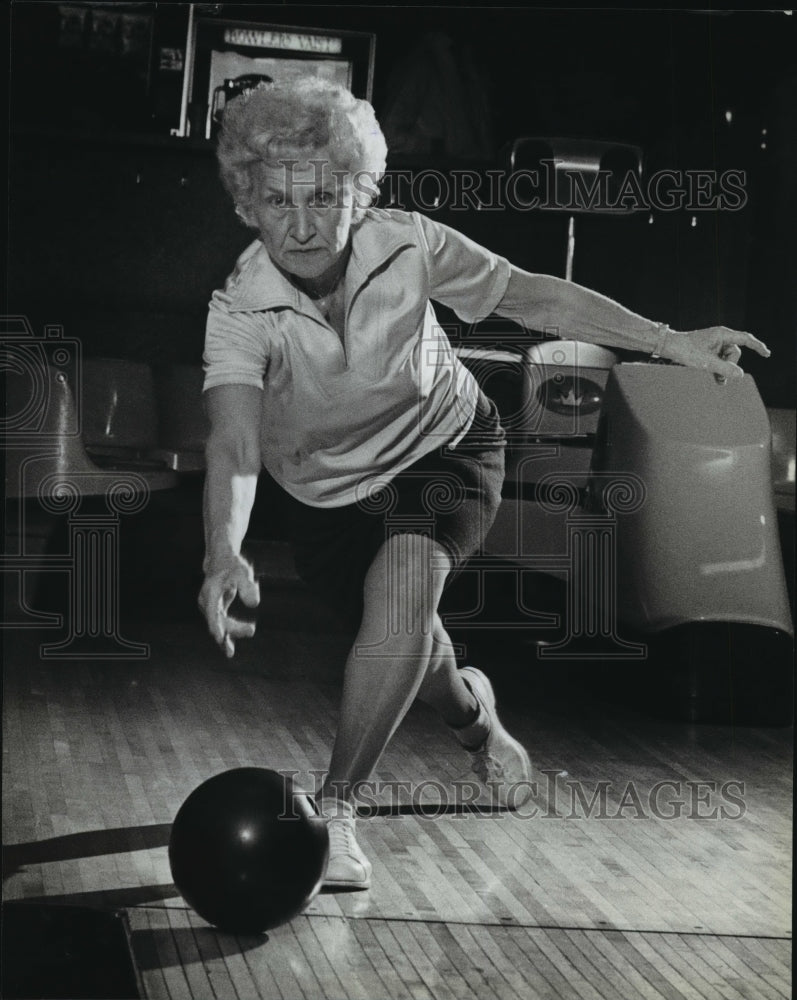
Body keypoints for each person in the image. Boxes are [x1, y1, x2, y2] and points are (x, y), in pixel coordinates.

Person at [198, 78, 770, 890]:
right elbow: (232, 442)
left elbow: (534, 295)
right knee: (413, 653)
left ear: (357, 195)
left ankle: (338, 811)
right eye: (278, 201)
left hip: (444, 450)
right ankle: (477, 721)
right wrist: (223, 549)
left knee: (400, 605)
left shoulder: (406, 245)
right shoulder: (238, 313)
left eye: (324, 196)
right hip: (327, 500)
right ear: (245, 205)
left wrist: (665, 340)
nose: (303, 224)